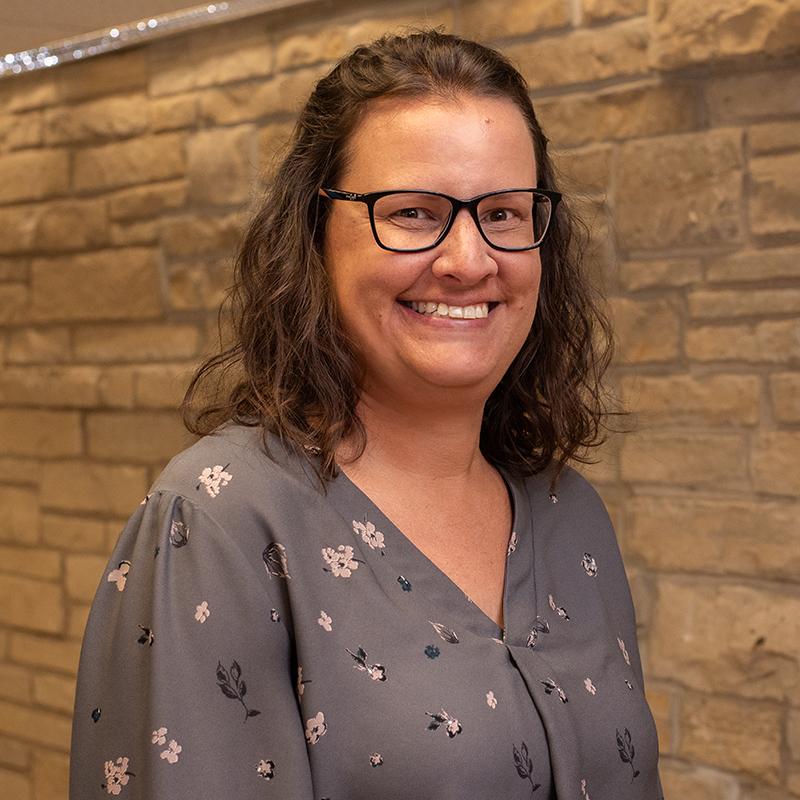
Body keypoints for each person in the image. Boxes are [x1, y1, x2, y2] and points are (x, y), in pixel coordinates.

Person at [70, 29, 663, 800]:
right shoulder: (216, 523)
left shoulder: (568, 513)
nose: (469, 259)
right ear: (314, 235)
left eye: (506, 213)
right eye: (414, 212)